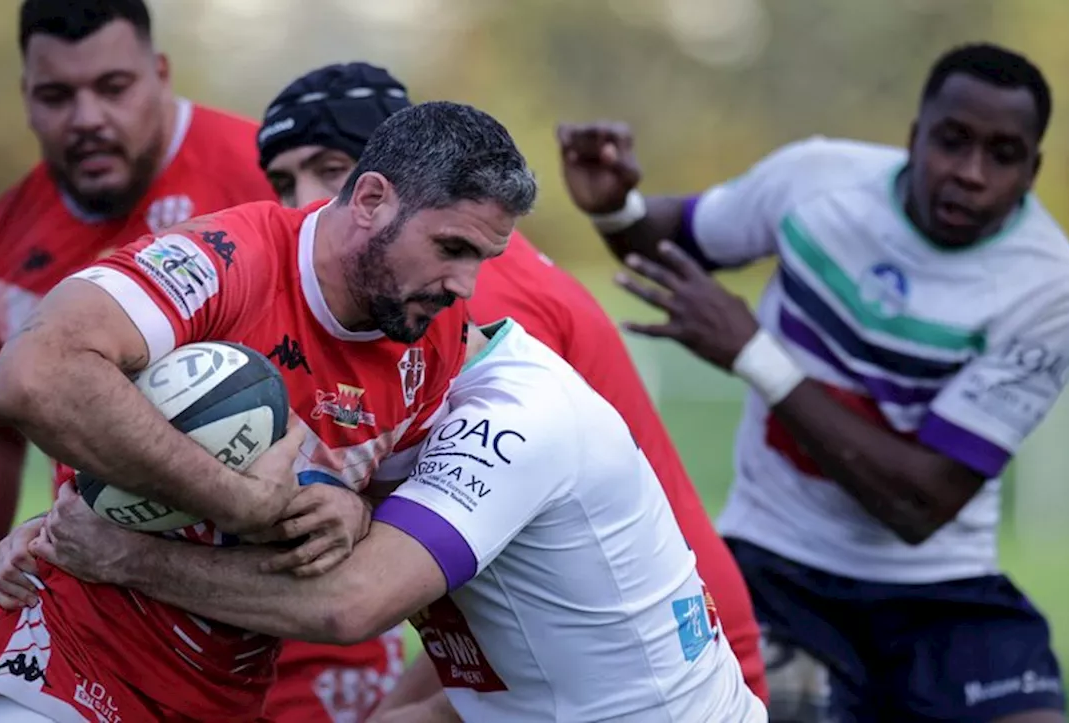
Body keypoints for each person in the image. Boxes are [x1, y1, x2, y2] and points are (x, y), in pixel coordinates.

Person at [0, 100, 537, 723]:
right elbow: (31, 374)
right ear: (370, 200)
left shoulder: (435, 343)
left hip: (226, 695)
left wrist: (354, 514)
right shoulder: (225, 259)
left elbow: (384, 552)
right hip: (65, 664)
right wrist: (234, 499)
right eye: (451, 247)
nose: (464, 285)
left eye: (480, 260)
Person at [559, 43, 1069, 723]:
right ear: (914, 136)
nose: (969, 172)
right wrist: (616, 210)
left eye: (1003, 154)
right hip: (776, 568)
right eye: (952, 141)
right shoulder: (814, 181)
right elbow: (670, 242)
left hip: (943, 590)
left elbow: (919, 504)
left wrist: (756, 353)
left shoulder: (1053, 287)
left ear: (1033, 169)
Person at [254, 61, 769, 713]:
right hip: (569, 645)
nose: (304, 204)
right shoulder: (401, 303)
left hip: (652, 655)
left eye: (331, 172)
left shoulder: (453, 299)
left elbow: (396, 589)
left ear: (386, 184)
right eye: (281, 182)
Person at [0, 318, 769, 722]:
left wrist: (122, 555)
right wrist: (57, 527)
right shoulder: (377, 393)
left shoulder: (514, 415)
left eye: (325, 179)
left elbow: (348, 603)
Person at [0, 0, 279, 684]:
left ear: (159, 73)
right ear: (26, 100)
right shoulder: (4, 239)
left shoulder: (267, 178)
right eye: (57, 95)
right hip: (102, 618)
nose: (87, 117)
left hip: (284, 622)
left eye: (113, 88)